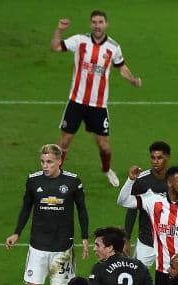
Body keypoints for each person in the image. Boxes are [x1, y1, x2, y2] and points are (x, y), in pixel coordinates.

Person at [7, 143, 90, 285]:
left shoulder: (72, 181)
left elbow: (82, 209)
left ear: (59, 161)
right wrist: (16, 233)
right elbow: (26, 207)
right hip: (38, 245)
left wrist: (85, 237)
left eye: (49, 162)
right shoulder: (33, 180)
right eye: (43, 161)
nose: (45, 166)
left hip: (62, 247)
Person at [51, 10, 142, 187]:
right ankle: (55, 174)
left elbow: (121, 67)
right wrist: (59, 30)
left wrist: (132, 80)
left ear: (106, 24)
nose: (97, 25)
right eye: (94, 22)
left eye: (100, 22)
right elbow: (55, 47)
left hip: (98, 105)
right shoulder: (80, 40)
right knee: (64, 141)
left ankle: (107, 169)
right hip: (76, 101)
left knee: (104, 145)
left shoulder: (113, 47)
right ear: (90, 24)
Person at [123, 141, 171, 267]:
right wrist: (126, 238)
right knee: (135, 275)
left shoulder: (177, 179)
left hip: (170, 240)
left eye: (159, 158)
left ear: (167, 157)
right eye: (153, 158)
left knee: (173, 277)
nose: (155, 161)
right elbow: (132, 209)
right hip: (147, 241)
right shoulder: (142, 180)